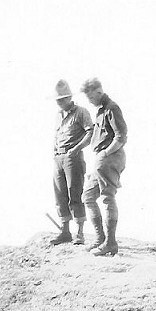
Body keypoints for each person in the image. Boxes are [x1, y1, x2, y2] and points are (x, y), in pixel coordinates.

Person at [81, 78, 127, 256]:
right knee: (88, 196)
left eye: (91, 97)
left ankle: (110, 243)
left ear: (99, 92)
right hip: (102, 158)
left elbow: (121, 136)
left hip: (110, 157)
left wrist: (106, 153)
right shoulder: (101, 111)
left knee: (107, 197)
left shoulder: (111, 108)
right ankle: (101, 239)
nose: (90, 101)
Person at [50, 79, 93, 245]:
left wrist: (75, 149)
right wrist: (55, 152)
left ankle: (80, 233)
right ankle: (65, 231)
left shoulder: (81, 112)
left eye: (62, 99)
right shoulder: (58, 115)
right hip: (58, 158)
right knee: (60, 194)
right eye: (57, 100)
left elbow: (90, 133)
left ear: (69, 98)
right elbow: (57, 136)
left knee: (75, 193)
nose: (60, 103)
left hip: (73, 158)